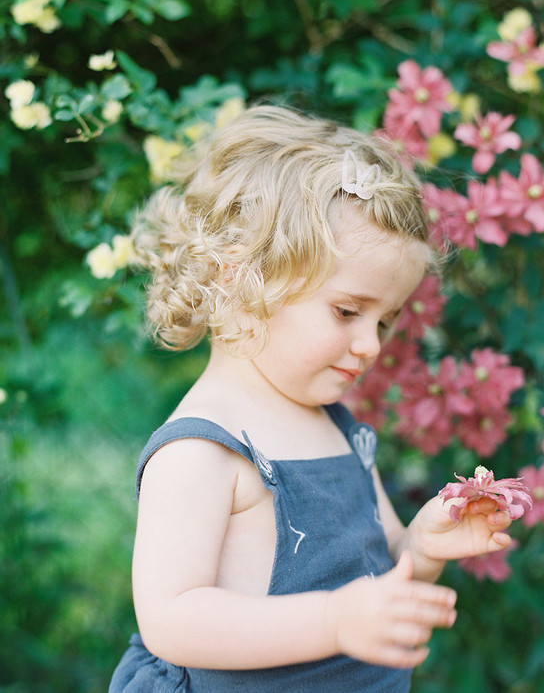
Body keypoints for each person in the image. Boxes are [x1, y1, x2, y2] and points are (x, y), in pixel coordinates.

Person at [109, 105, 513, 692]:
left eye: (386, 321)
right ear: (242, 277)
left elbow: (378, 573)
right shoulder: (200, 449)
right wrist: (332, 621)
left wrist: (420, 547)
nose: (371, 345)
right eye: (348, 311)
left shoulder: (337, 426)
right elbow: (171, 619)